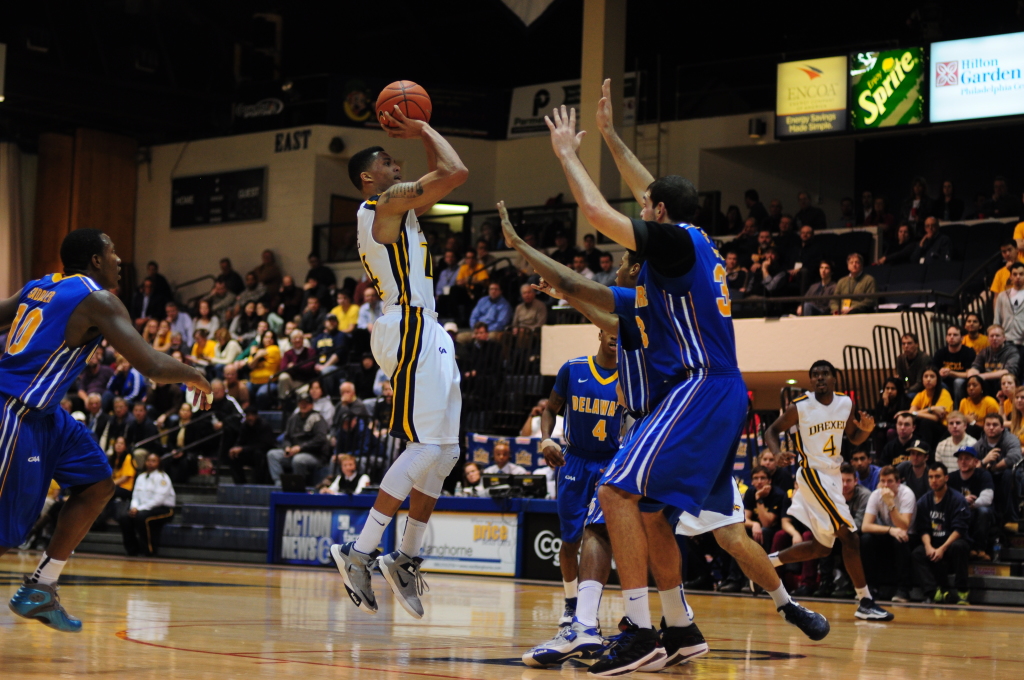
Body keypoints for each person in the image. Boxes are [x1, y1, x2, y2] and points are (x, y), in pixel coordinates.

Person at [514, 87, 826, 675]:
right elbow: (647, 189)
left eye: (648, 207)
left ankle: (638, 630)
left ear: (657, 214)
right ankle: (679, 628)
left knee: (614, 493)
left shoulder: (676, 245)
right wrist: (609, 136)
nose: (642, 210)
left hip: (700, 385)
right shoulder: (697, 241)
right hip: (712, 390)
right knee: (652, 512)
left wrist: (567, 156)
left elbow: (602, 216)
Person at [0, 229, 210, 632]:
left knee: (97, 484)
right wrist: (195, 375)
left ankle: (41, 587)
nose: (118, 260)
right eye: (112, 252)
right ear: (96, 260)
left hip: (48, 414)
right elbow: (150, 364)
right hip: (18, 412)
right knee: (8, 532)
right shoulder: (96, 299)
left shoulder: (40, 286)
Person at [330, 108, 468, 622]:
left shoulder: (399, 207)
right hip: (407, 325)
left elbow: (443, 175)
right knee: (425, 445)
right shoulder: (382, 205)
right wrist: (426, 126)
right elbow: (456, 174)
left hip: (427, 324)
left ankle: (405, 557)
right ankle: (359, 551)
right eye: (389, 161)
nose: (398, 165)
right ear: (370, 178)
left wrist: (422, 135)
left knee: (448, 451)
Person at [766, 360, 893, 621]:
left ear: (835, 378)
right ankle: (865, 601)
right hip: (812, 474)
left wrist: (865, 432)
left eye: (825, 374)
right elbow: (771, 430)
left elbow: (854, 437)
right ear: (811, 380)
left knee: (823, 548)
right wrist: (777, 454)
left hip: (832, 476)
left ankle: (768, 563)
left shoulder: (845, 403)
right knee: (850, 537)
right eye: (815, 375)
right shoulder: (799, 406)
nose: (819, 378)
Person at [536, 329, 622, 627]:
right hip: (574, 460)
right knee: (570, 539)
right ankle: (571, 605)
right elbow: (550, 409)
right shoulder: (573, 369)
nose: (616, 336)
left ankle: (591, 609)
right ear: (600, 332)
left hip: (610, 463)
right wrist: (546, 440)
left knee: (603, 538)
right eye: (611, 331)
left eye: (622, 332)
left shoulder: (630, 375)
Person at [911, 463, 971, 605]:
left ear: (946, 478)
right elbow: (923, 528)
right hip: (934, 543)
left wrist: (942, 549)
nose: (933, 480)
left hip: (951, 543)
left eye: (937, 476)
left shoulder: (958, 500)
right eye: (930, 477)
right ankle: (934, 593)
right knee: (917, 553)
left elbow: (959, 530)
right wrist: (928, 547)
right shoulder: (924, 501)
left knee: (960, 546)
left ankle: (962, 591)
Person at [860, 466, 917, 602]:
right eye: (883, 481)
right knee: (866, 539)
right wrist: (890, 530)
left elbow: (903, 526)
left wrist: (890, 503)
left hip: (910, 535)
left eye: (890, 481)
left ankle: (903, 590)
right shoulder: (876, 494)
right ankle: (871, 588)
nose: (886, 485)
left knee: (900, 539)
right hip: (889, 532)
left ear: (898, 482)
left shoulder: (907, 494)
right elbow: (865, 526)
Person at [118, 451, 175, 557]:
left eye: (154, 461)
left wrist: (139, 509)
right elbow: (135, 496)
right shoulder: (141, 477)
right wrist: (134, 507)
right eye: (148, 460)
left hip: (163, 509)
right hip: (142, 509)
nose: (150, 463)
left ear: (159, 463)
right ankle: (132, 550)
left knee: (142, 518)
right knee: (124, 518)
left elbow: (159, 499)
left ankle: (149, 550)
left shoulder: (163, 478)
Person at [267, 394, 331, 485]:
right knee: (272, 454)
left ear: (312, 405)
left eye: (306, 403)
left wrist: (300, 448)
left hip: (314, 455)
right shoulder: (293, 418)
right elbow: (287, 437)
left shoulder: (317, 418)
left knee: (298, 460)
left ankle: (298, 486)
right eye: (301, 403)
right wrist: (287, 447)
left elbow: (320, 439)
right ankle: (279, 483)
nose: (303, 405)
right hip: (294, 452)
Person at [948, 446, 994, 561]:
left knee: (983, 511)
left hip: (978, 512)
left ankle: (980, 549)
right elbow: (945, 499)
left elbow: (988, 498)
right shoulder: (952, 477)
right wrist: (963, 501)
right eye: (960, 459)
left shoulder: (983, 475)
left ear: (976, 461)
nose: (963, 462)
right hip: (961, 512)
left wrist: (972, 504)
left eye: (967, 459)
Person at [742, 465, 789, 553]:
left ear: (769, 481)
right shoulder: (750, 492)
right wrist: (754, 524)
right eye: (755, 478)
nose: (759, 482)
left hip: (773, 529)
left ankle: (764, 564)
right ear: (752, 482)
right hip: (756, 527)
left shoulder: (778, 495)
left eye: (762, 478)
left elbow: (767, 523)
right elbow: (744, 519)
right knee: (739, 531)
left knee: (764, 531)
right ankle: (736, 567)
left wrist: (758, 498)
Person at [226, 406, 276, 485]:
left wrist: (243, 449)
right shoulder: (244, 426)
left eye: (252, 415)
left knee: (258, 455)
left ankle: (258, 484)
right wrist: (234, 448)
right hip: (249, 453)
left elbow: (265, 445)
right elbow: (240, 441)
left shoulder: (264, 426)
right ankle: (240, 484)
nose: (250, 418)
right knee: (233, 457)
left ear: (256, 416)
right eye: (247, 415)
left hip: (263, 454)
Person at [968, 325, 1019, 397]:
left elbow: (1008, 371)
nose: (994, 338)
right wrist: (972, 376)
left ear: (1004, 338)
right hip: (987, 382)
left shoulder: (1011, 351)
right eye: (991, 336)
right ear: (988, 338)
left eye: (997, 336)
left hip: (1003, 381)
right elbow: (975, 366)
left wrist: (983, 376)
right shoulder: (984, 351)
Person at [933, 324, 976, 404]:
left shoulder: (968, 352)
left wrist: (951, 373)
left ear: (962, 338)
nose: (951, 337)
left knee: (958, 382)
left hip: (963, 384)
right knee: (936, 381)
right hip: (945, 383)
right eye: (949, 335)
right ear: (946, 338)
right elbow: (932, 371)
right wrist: (939, 373)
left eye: (955, 335)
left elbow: (969, 374)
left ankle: (958, 409)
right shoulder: (940, 353)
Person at [994, 262, 1024, 348]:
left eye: (1021, 274)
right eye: (1015, 274)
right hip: (1006, 341)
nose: (1018, 277)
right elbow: (997, 319)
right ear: (1010, 276)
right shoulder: (1002, 295)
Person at [897, 333, 931, 398]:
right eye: (903, 344)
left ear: (916, 345)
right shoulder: (900, 359)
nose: (906, 346)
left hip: (923, 390)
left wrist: (906, 390)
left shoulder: (924, 358)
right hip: (910, 389)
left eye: (909, 343)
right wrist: (905, 383)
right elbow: (904, 378)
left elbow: (920, 382)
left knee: (907, 397)